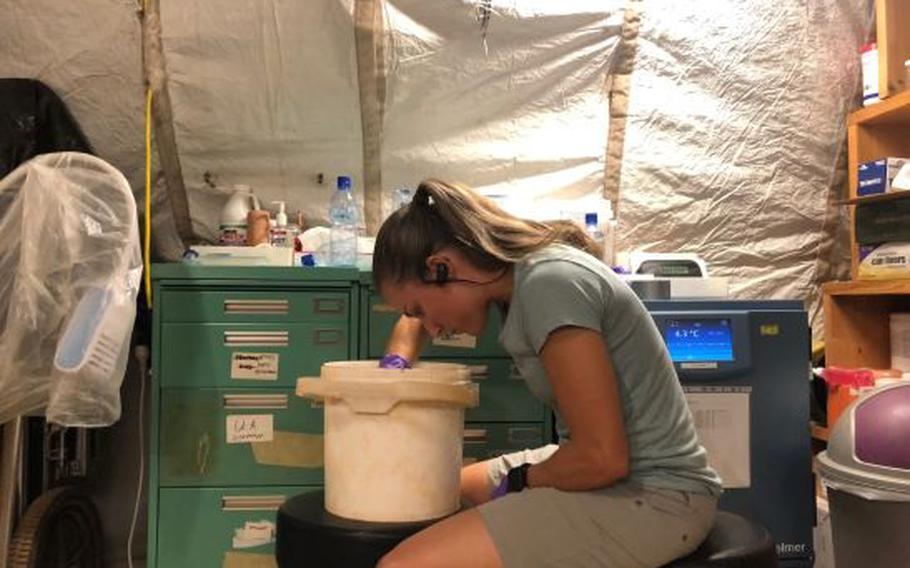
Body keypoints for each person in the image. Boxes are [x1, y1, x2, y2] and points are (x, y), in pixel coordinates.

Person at [372, 179, 722, 568]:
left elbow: (603, 459)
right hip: (616, 473)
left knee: (400, 566)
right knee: (440, 490)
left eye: (420, 308)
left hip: (656, 494)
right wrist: (396, 367)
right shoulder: (518, 274)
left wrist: (522, 482)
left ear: (441, 267)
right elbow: (415, 320)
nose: (433, 329)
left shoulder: (549, 285)